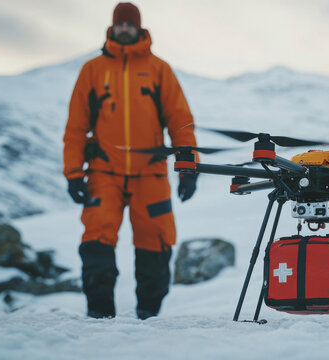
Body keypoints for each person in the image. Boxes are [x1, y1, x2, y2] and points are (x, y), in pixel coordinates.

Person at [63, 2, 199, 320]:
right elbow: (76, 127)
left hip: (150, 175)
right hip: (102, 173)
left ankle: (147, 315)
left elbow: (181, 122)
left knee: (156, 241)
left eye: (129, 23)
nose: (125, 28)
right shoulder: (92, 70)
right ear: (113, 27)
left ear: (138, 27)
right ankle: (99, 314)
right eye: (120, 24)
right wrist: (73, 173)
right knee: (96, 239)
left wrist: (188, 168)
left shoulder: (159, 69)